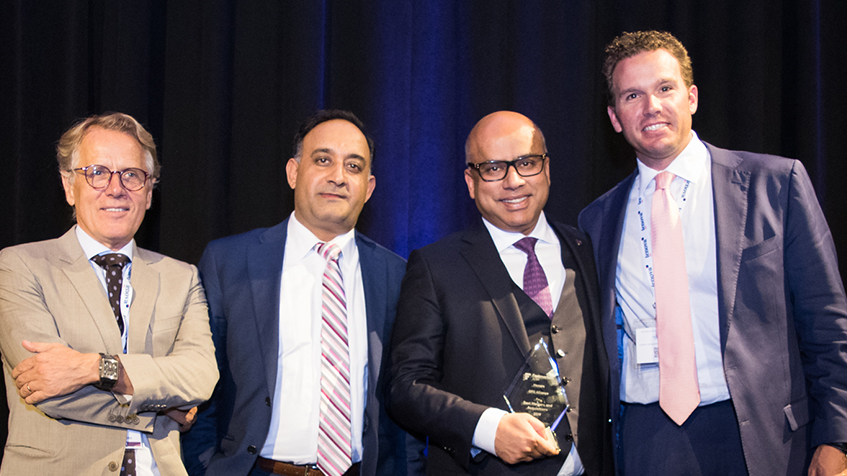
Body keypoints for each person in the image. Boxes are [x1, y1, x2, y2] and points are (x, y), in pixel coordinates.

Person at [578, 30, 847, 476]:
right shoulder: (597, 220)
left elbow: (828, 323)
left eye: (665, 88)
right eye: (632, 95)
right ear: (614, 117)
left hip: (763, 437)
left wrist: (836, 437)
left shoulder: (776, 185)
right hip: (647, 439)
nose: (652, 106)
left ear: (692, 97)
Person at [181, 110, 423, 476]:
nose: (338, 177)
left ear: (369, 188)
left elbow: (402, 400)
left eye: (354, 167)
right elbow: (199, 386)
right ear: (293, 172)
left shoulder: (395, 274)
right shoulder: (229, 261)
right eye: (323, 160)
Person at [388, 111, 613, 475]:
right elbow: (406, 388)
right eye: (493, 168)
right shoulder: (435, 266)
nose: (513, 181)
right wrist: (486, 429)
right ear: (471, 181)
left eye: (527, 163)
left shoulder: (588, 248)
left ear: (547, 169)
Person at [0, 112, 219, 475]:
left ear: (149, 193)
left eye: (132, 175)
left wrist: (93, 368)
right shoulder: (19, 266)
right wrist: (160, 408)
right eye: (98, 172)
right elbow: (48, 389)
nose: (116, 188)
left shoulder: (182, 277)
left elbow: (200, 376)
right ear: (69, 186)